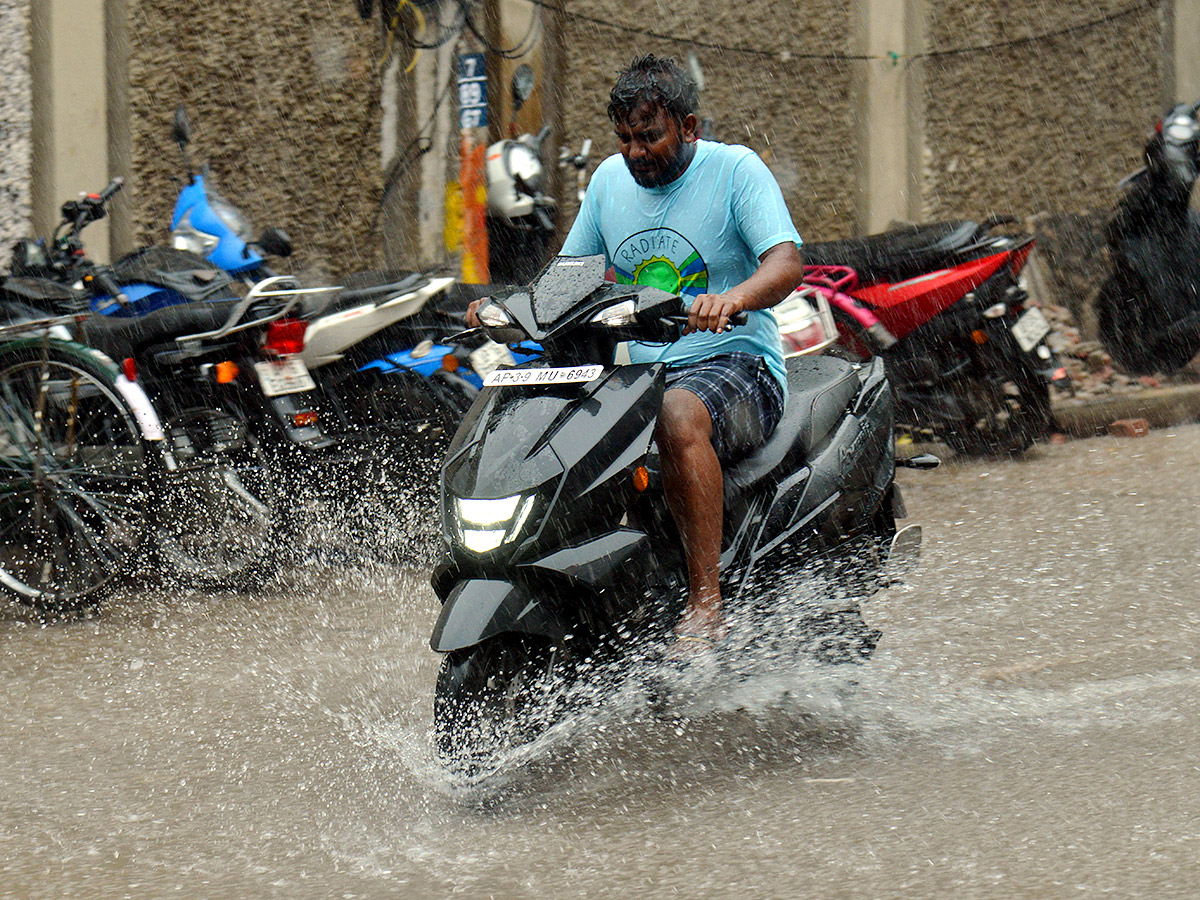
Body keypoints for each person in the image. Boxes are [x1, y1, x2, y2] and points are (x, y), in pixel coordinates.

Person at [470, 53, 803, 655]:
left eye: (650, 136)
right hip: (636, 371)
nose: (635, 152)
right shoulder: (607, 182)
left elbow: (785, 263)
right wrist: (509, 307)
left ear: (689, 127)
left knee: (677, 417)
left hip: (736, 363)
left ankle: (706, 604)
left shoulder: (736, 172)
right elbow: (571, 275)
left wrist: (729, 299)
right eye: (625, 138)